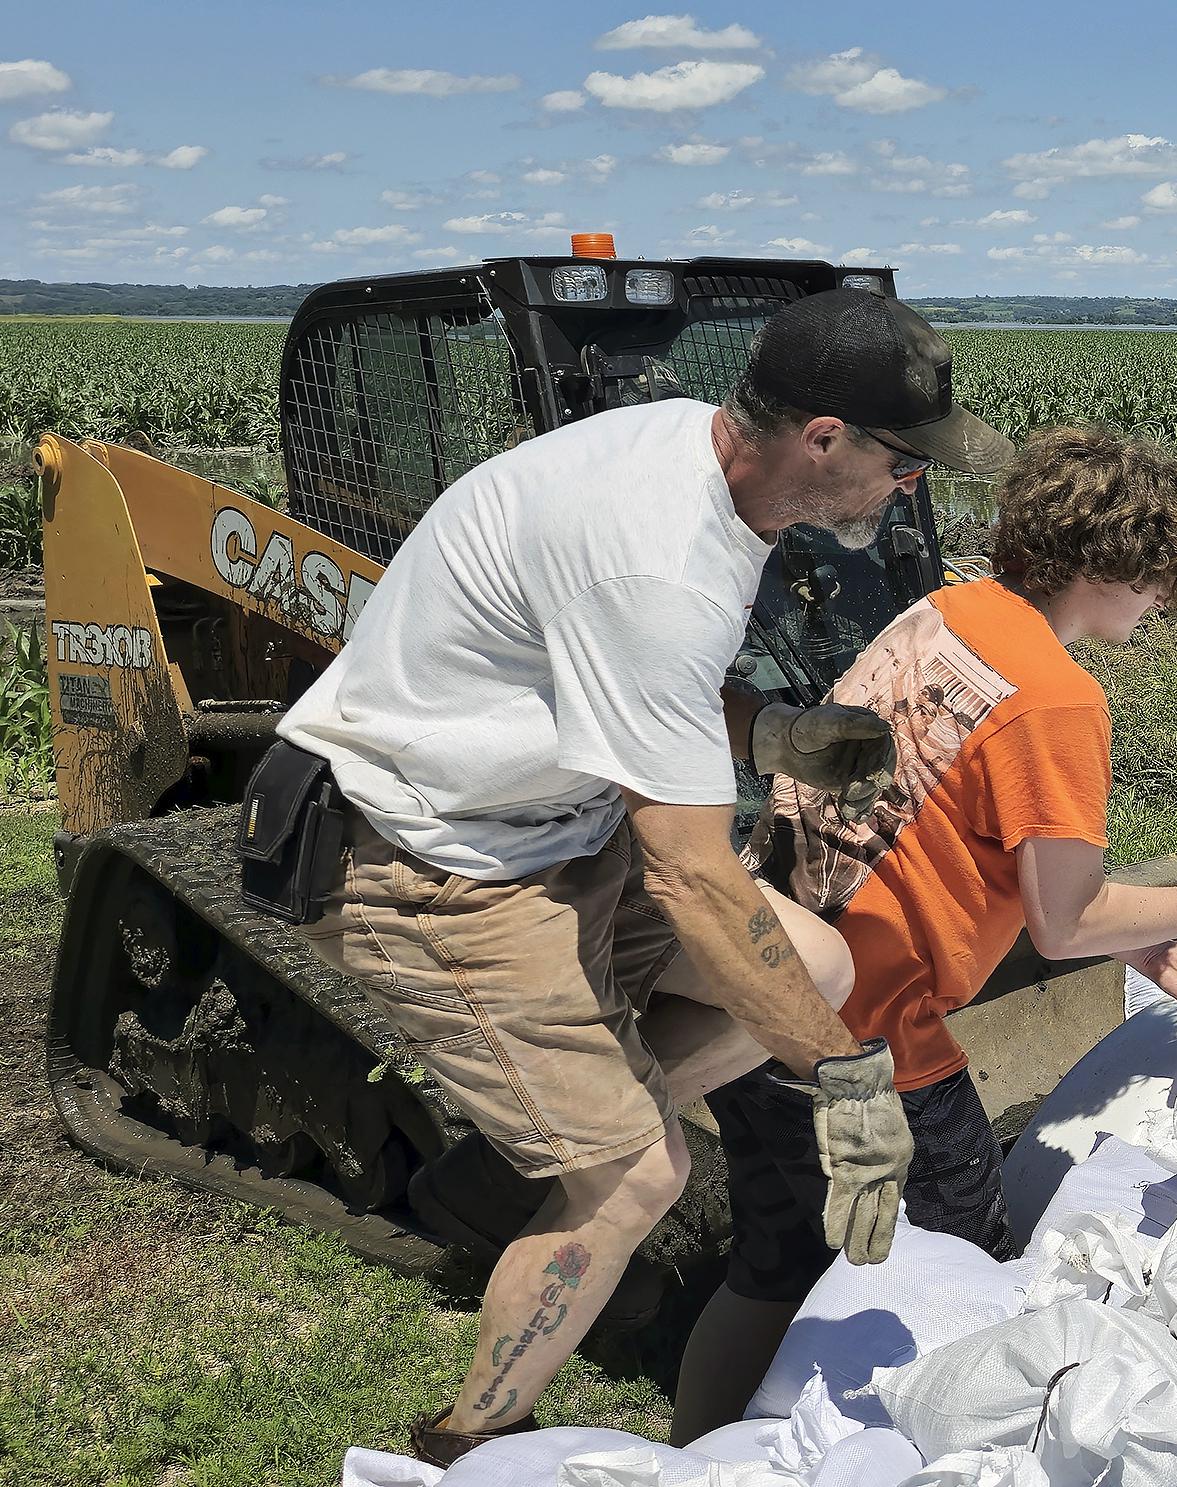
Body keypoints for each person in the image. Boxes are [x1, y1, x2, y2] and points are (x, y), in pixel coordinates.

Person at [275, 288, 1014, 1465]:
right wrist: (848, 1083)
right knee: (636, 1176)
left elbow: (617, 678)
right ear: (821, 437)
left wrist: (765, 731)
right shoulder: (657, 570)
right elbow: (688, 875)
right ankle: (463, 1442)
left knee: (812, 959)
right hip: (433, 860)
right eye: (900, 460)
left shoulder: (698, 462)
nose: (912, 486)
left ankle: (539, 1144)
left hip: (552, 823)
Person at [669, 426, 1177, 1441]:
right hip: (874, 1051)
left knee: (773, 1262)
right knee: (958, 1286)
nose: (1163, 599)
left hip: (766, 997)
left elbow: (956, 837)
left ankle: (695, 1456)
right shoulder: (1054, 698)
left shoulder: (943, 612)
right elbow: (1063, 917)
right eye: (1157, 576)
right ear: (1105, 562)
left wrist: (1147, 948)